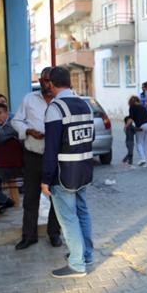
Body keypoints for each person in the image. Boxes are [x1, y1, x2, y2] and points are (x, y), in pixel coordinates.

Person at [41, 67, 94, 278]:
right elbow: (88, 138)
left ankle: (76, 264)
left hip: (63, 175)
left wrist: (45, 178)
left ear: (51, 84)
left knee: (68, 218)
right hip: (84, 170)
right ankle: (86, 255)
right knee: (82, 212)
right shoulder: (85, 104)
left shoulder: (55, 108)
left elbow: (51, 148)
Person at [11, 68, 62, 250]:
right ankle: (29, 236)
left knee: (56, 196)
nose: (48, 84)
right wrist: (28, 131)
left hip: (56, 157)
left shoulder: (61, 100)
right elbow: (16, 120)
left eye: (51, 81)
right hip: (33, 154)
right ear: (40, 81)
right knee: (31, 197)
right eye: (45, 81)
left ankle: (54, 233)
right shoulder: (29, 99)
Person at [128, 95, 147, 167]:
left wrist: (126, 126)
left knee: (139, 143)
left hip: (141, 126)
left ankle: (142, 158)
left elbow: (131, 119)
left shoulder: (132, 107)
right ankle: (146, 162)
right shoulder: (143, 107)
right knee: (146, 144)